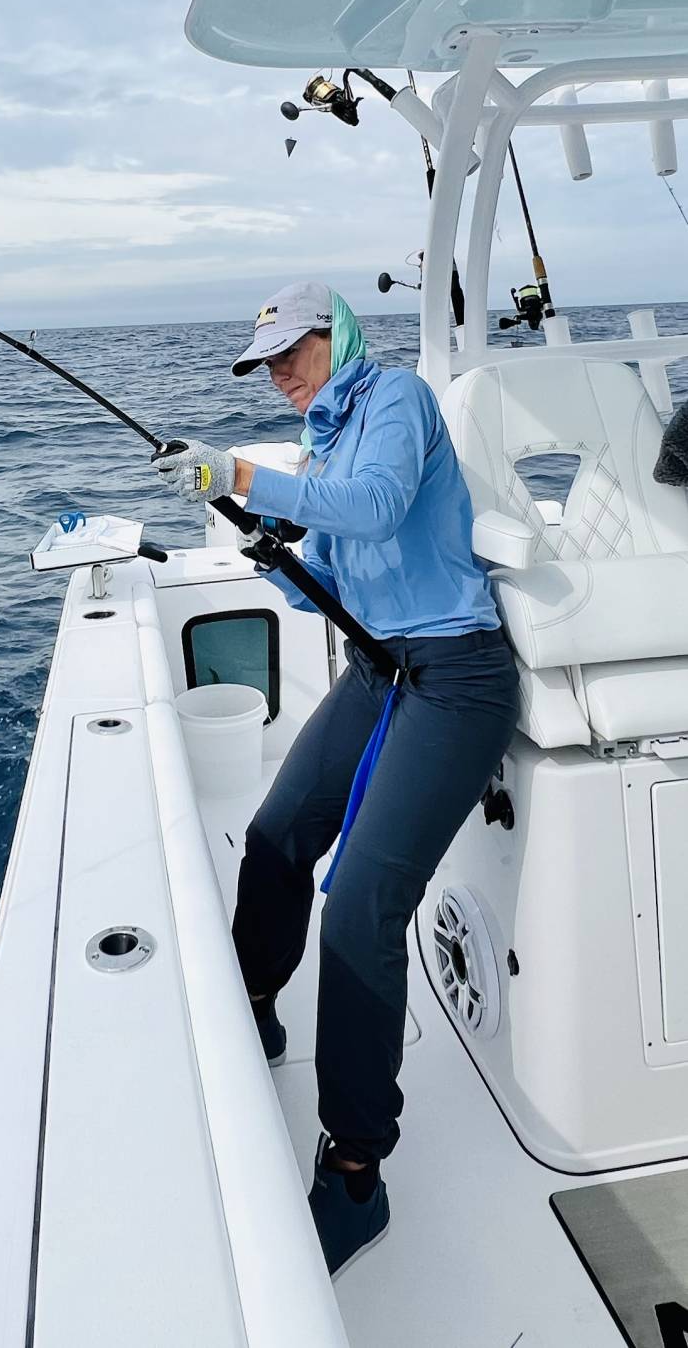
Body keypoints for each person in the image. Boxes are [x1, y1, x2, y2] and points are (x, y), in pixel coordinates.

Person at [154, 281, 518, 1279]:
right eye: (267, 363)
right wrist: (266, 547)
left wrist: (238, 470)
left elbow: (379, 506)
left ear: (339, 336)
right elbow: (336, 564)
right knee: (275, 833)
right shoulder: (322, 442)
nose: (281, 372)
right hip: (377, 666)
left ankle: (356, 1169)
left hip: (455, 677)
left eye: (294, 351)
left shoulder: (394, 398)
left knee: (361, 904)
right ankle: (257, 1005)